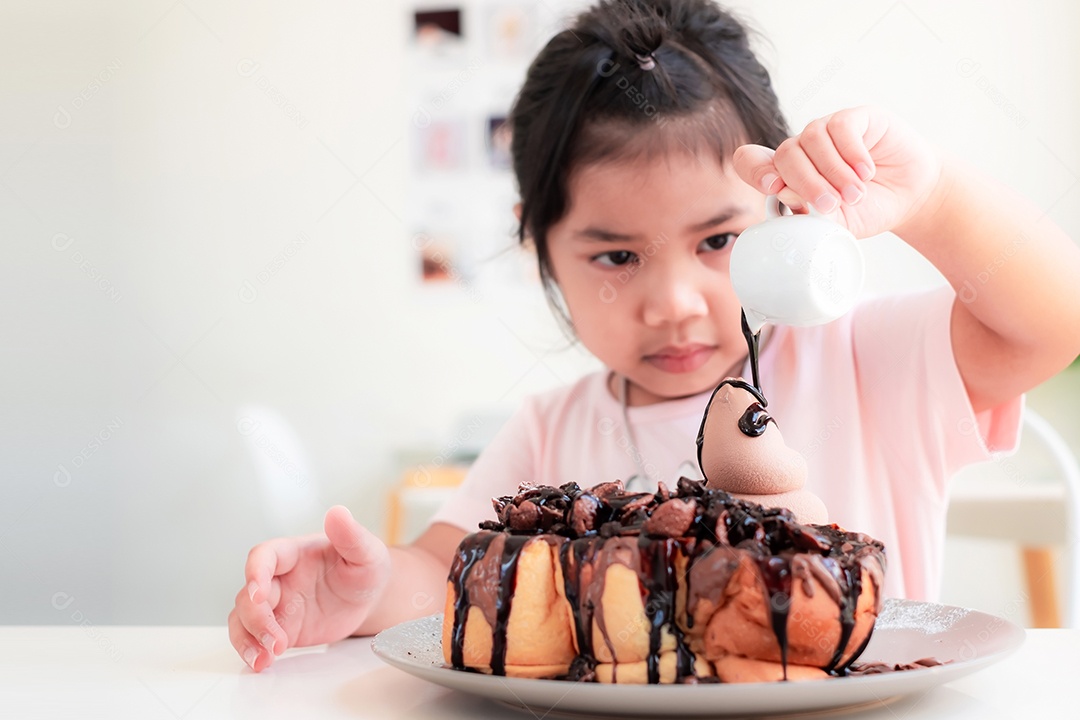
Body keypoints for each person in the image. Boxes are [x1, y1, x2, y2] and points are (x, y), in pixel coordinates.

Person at [228, 0, 1080, 671]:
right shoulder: (547, 434)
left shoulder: (866, 363)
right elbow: (446, 576)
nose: (673, 302)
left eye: (718, 241)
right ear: (542, 248)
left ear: (783, 208)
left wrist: (929, 202)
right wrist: (367, 589)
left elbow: (1051, 322)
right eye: (617, 255)